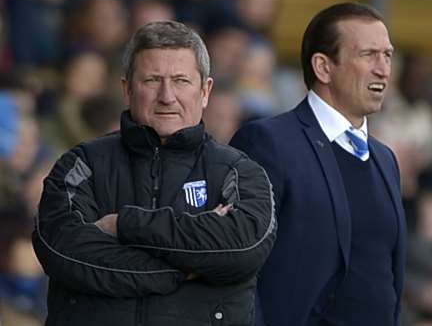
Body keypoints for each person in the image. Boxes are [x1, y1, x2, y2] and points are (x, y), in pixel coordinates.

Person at [32, 21, 276, 326]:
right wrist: (185, 267)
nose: (167, 96)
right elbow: (64, 252)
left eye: (181, 81)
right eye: (152, 80)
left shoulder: (239, 172)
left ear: (205, 91)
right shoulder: (81, 166)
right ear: (127, 89)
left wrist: (124, 225)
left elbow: (241, 249)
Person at [230, 2, 406, 326]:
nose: (383, 69)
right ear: (323, 67)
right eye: (369, 55)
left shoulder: (385, 159)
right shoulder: (268, 143)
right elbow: (240, 267)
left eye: (388, 55)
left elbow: (387, 277)